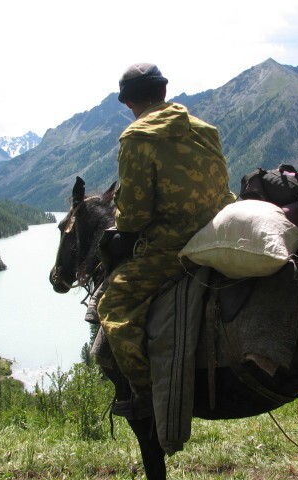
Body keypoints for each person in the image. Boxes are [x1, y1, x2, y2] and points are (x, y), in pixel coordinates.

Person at [97, 63, 235, 418]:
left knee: (113, 306)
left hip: (173, 248)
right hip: (218, 229)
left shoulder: (136, 138)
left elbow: (136, 215)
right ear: (163, 91)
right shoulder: (205, 129)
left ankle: (146, 394)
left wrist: (121, 222)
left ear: (128, 102)